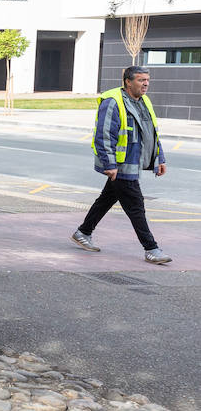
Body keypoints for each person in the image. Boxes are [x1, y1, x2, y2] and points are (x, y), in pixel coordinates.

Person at [71, 66, 171, 264]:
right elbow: (104, 135)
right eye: (141, 80)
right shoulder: (113, 102)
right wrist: (109, 163)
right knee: (136, 206)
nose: (146, 84)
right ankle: (151, 248)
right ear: (128, 81)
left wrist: (160, 157)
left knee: (107, 198)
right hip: (121, 165)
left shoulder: (144, 102)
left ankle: (83, 232)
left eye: (147, 80)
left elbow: (152, 133)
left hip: (133, 163)